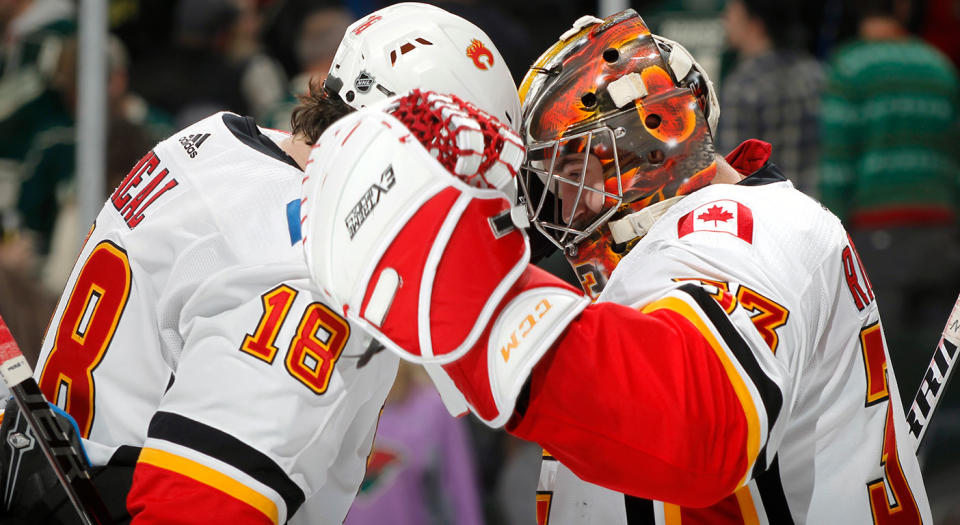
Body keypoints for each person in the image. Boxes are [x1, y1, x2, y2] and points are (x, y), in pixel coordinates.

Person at [302, 9, 932, 524]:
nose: (553, 210)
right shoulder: (693, 250)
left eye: (571, 172)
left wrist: (475, 303)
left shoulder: (747, 225)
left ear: (653, 134)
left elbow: (696, 424)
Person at [0, 3, 520, 524]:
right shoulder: (318, 276)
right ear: (398, 155)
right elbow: (197, 511)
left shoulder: (215, 140)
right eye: (464, 177)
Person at [718, 0, 824, 197]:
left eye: (731, 13)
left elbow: (730, 173)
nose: (725, 20)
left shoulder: (743, 85)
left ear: (755, 25)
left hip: (765, 214)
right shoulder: (815, 74)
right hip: (815, 208)